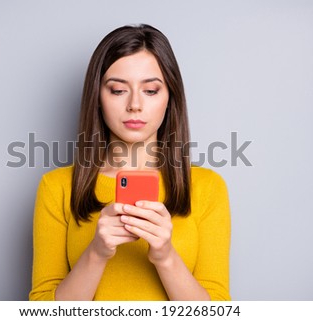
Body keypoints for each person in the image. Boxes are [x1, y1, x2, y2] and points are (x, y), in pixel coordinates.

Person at [29, 24, 231, 301]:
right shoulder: (57, 187)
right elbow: (41, 310)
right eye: (117, 90)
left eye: (150, 91)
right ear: (97, 98)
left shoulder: (208, 188)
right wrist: (97, 252)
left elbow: (217, 311)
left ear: (170, 97)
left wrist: (165, 256)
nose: (135, 105)